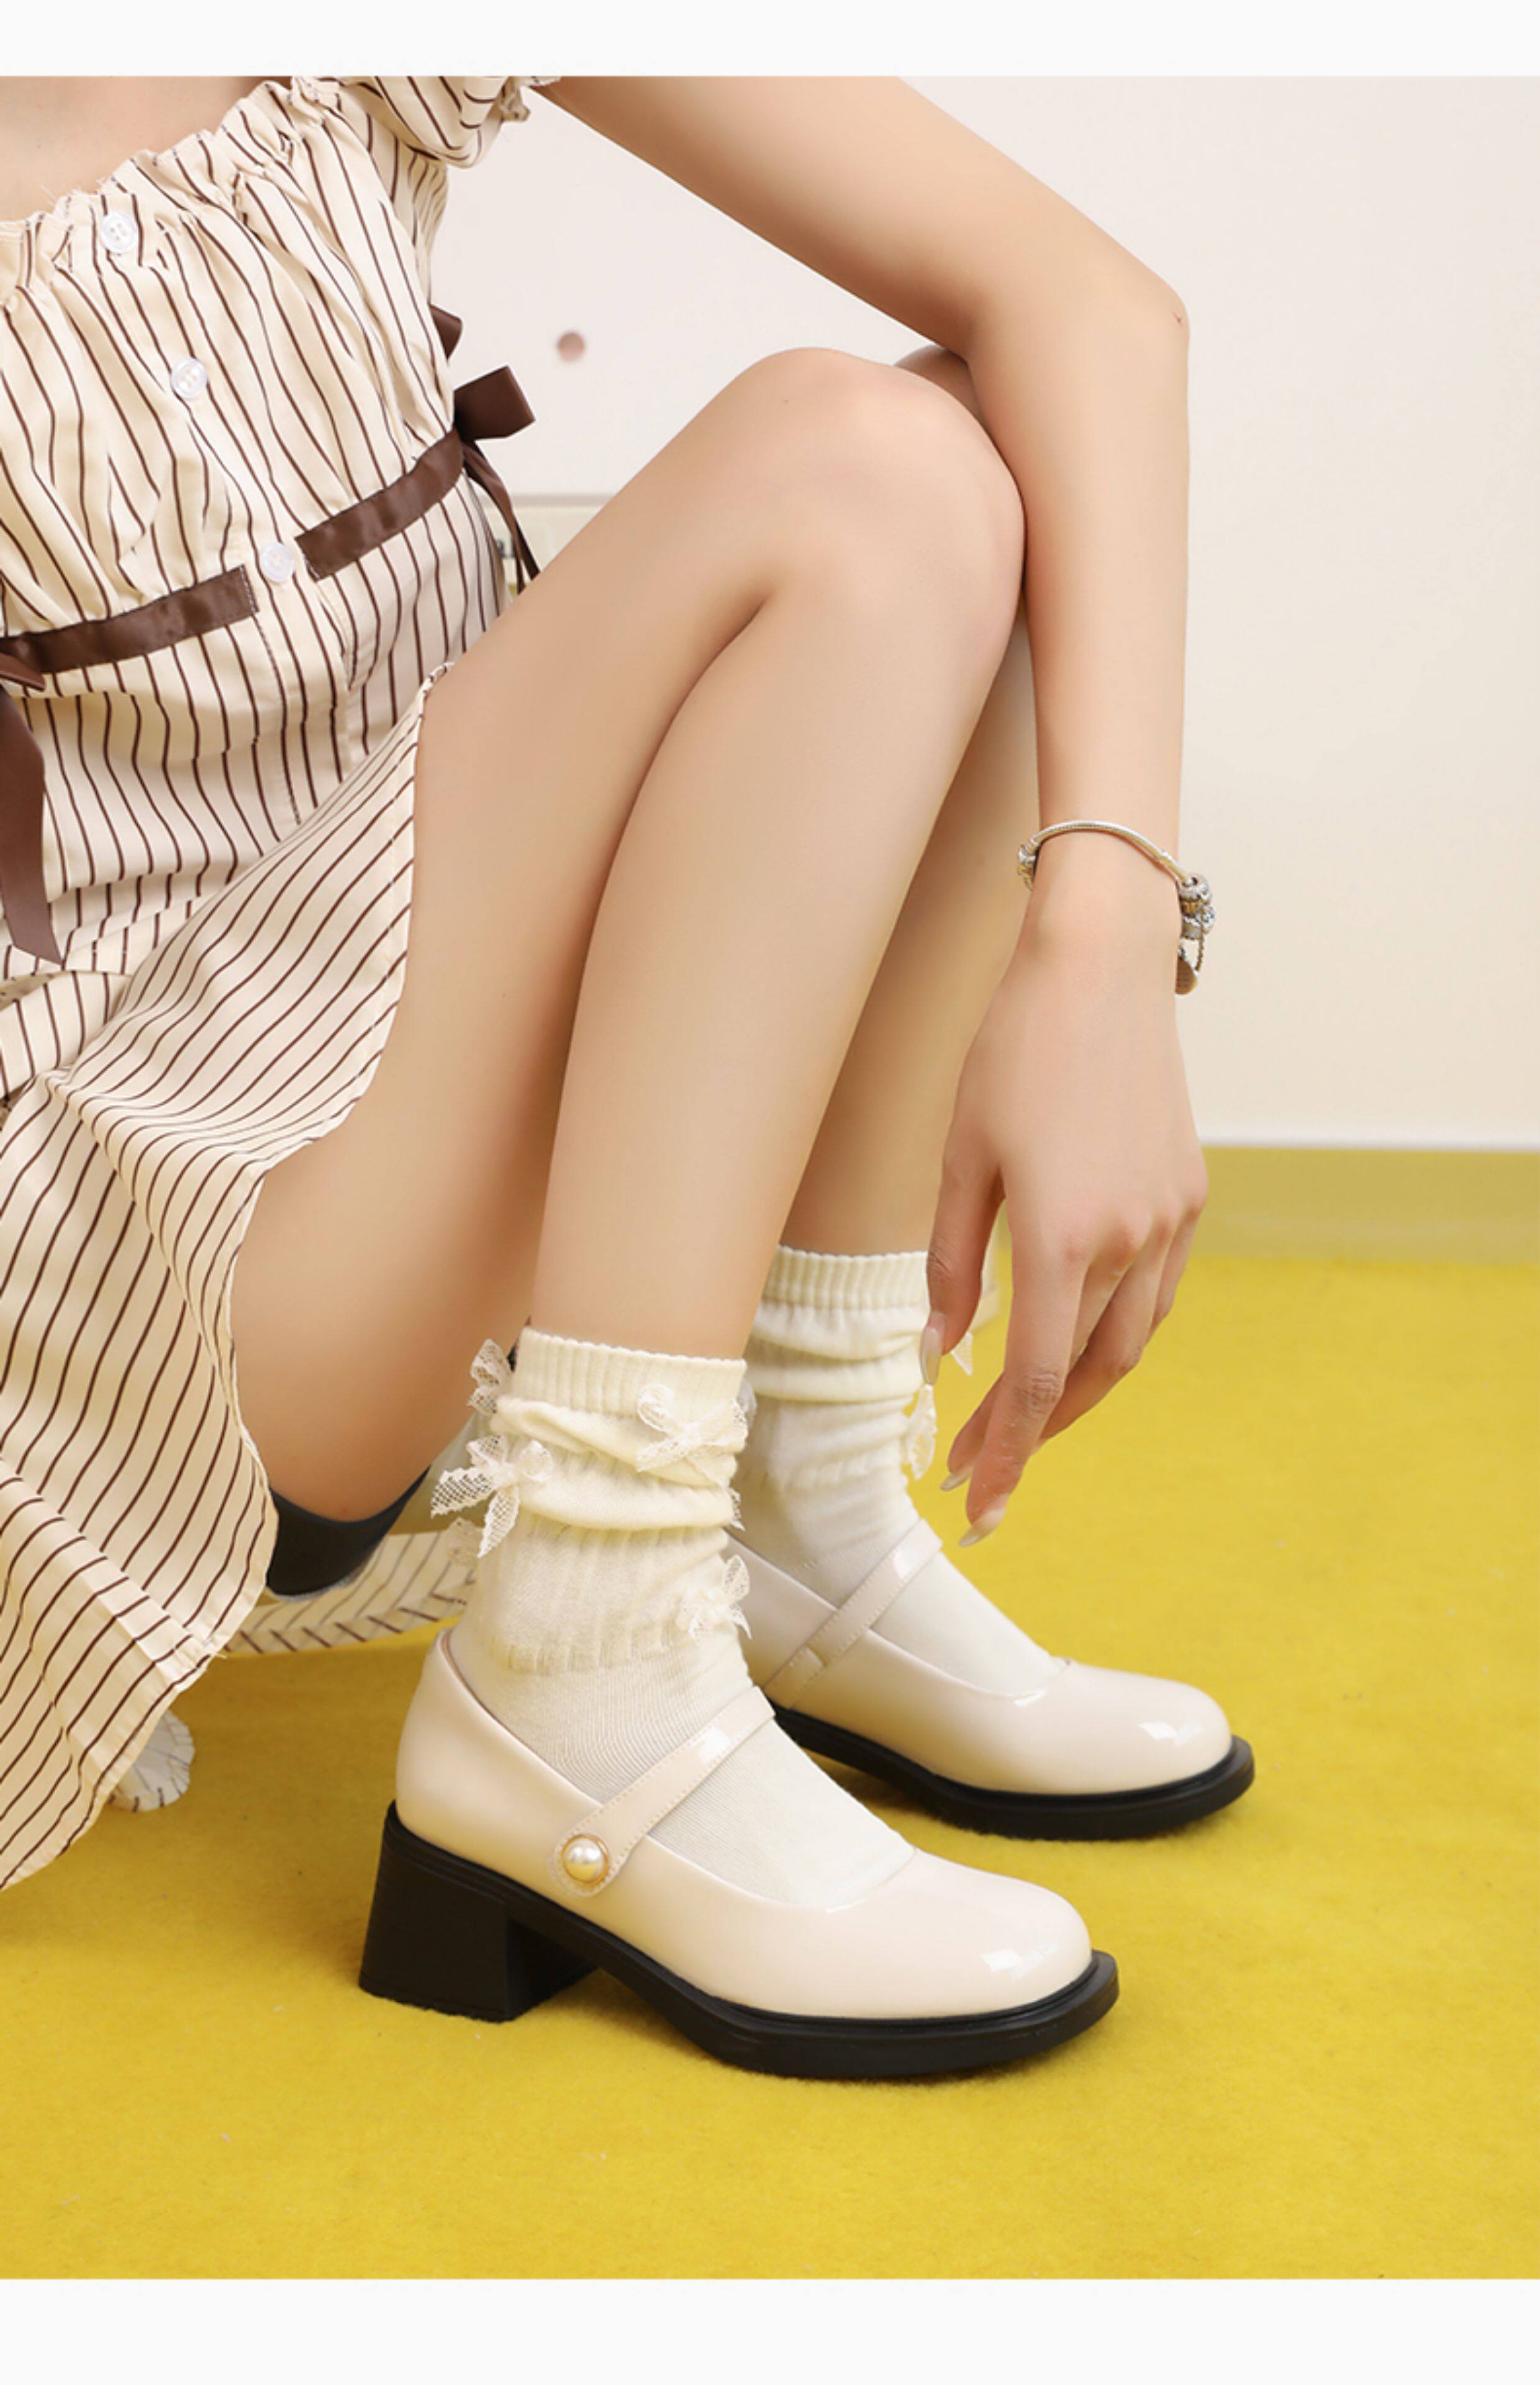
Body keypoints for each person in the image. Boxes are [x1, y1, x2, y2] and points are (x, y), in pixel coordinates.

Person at [0, 75, 1250, 2078]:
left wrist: (1104, 944)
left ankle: (788, 1499)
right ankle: (584, 1649)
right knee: (855, 467)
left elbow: (1088, 307)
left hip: (431, 1017)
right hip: (146, 1234)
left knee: (976, 443)